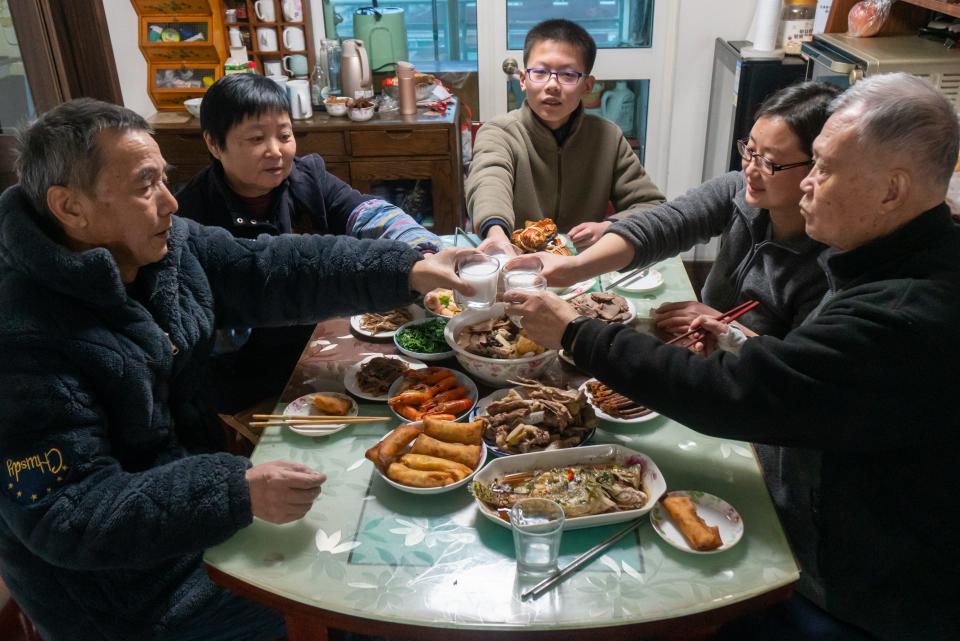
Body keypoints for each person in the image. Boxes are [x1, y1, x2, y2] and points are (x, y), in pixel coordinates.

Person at [504, 73, 960, 641]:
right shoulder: (883, 258)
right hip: (819, 526)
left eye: (822, 168)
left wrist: (578, 333)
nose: (808, 184)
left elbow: (741, 393)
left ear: (891, 190)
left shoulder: (906, 313)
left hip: (858, 594)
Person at [0, 98, 473, 641]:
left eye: (164, 179)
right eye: (144, 185)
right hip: (122, 596)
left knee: (377, 551)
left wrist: (409, 268)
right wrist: (234, 492)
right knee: (363, 615)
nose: (170, 202)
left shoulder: (161, 245)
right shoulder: (21, 334)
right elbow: (66, 513)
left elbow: (270, 268)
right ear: (70, 207)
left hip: (192, 520)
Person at [175, 73, 443, 413]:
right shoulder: (191, 215)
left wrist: (426, 251)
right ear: (214, 143)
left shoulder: (306, 178)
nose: (275, 151)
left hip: (318, 350)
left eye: (284, 135)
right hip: (246, 379)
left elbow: (367, 212)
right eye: (257, 138)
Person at [538, 81, 841, 339]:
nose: (750, 168)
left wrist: (726, 328)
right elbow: (668, 223)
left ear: (818, 168)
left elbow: (796, 368)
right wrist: (574, 269)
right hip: (702, 346)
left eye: (769, 161)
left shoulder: (829, 266)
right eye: (749, 150)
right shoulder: (738, 191)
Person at [465, 18, 665, 256]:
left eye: (568, 75)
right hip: (517, 260)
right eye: (539, 72)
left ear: (587, 86)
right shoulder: (500, 132)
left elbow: (651, 206)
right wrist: (496, 234)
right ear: (522, 79)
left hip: (584, 266)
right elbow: (489, 182)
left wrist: (610, 227)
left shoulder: (607, 138)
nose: (552, 85)